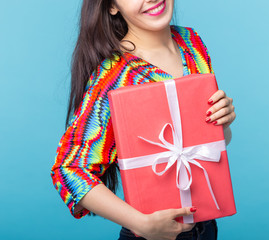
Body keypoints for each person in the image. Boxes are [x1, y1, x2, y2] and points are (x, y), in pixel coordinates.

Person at [50, 0, 236, 239]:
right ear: (112, 7)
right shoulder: (115, 75)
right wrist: (140, 223)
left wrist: (224, 123)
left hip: (207, 227)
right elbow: (68, 169)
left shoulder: (191, 42)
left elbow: (209, 145)